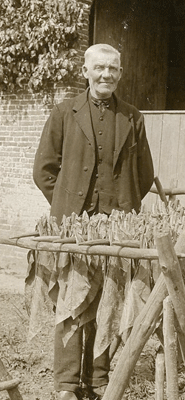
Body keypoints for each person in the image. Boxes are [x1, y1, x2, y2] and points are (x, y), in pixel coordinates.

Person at [33, 43, 154, 400]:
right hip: (73, 228)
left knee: (109, 302)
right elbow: (44, 171)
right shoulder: (64, 112)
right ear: (85, 71)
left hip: (117, 228)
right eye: (99, 68)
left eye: (113, 69)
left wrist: (120, 208)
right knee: (72, 302)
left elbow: (144, 175)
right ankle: (67, 384)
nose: (106, 75)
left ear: (120, 74)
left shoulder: (133, 117)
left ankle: (99, 378)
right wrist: (69, 207)